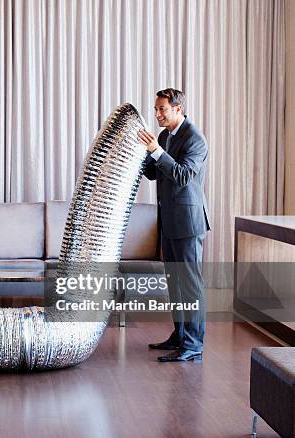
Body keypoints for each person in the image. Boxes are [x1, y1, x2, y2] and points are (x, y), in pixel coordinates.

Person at [137, 88, 210, 362]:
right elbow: (156, 174)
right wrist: (145, 152)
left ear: (177, 109)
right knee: (175, 284)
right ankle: (179, 336)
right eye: (156, 109)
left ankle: (193, 346)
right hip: (169, 222)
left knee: (191, 285)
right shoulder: (166, 135)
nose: (157, 114)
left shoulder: (195, 139)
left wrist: (156, 150)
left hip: (189, 224)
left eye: (162, 110)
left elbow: (182, 176)